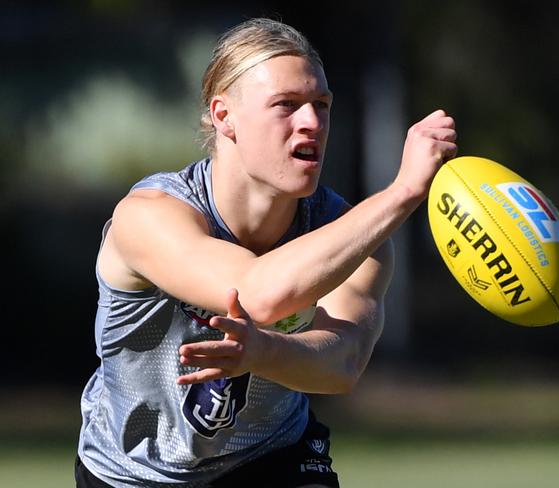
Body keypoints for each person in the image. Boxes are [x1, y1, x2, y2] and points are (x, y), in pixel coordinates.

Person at [75, 17, 457, 488]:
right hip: (131, 474)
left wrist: (264, 351)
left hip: (273, 456)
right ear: (223, 116)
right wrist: (402, 193)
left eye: (322, 105)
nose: (312, 123)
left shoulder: (351, 234)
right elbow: (257, 293)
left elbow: (343, 362)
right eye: (286, 105)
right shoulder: (149, 215)